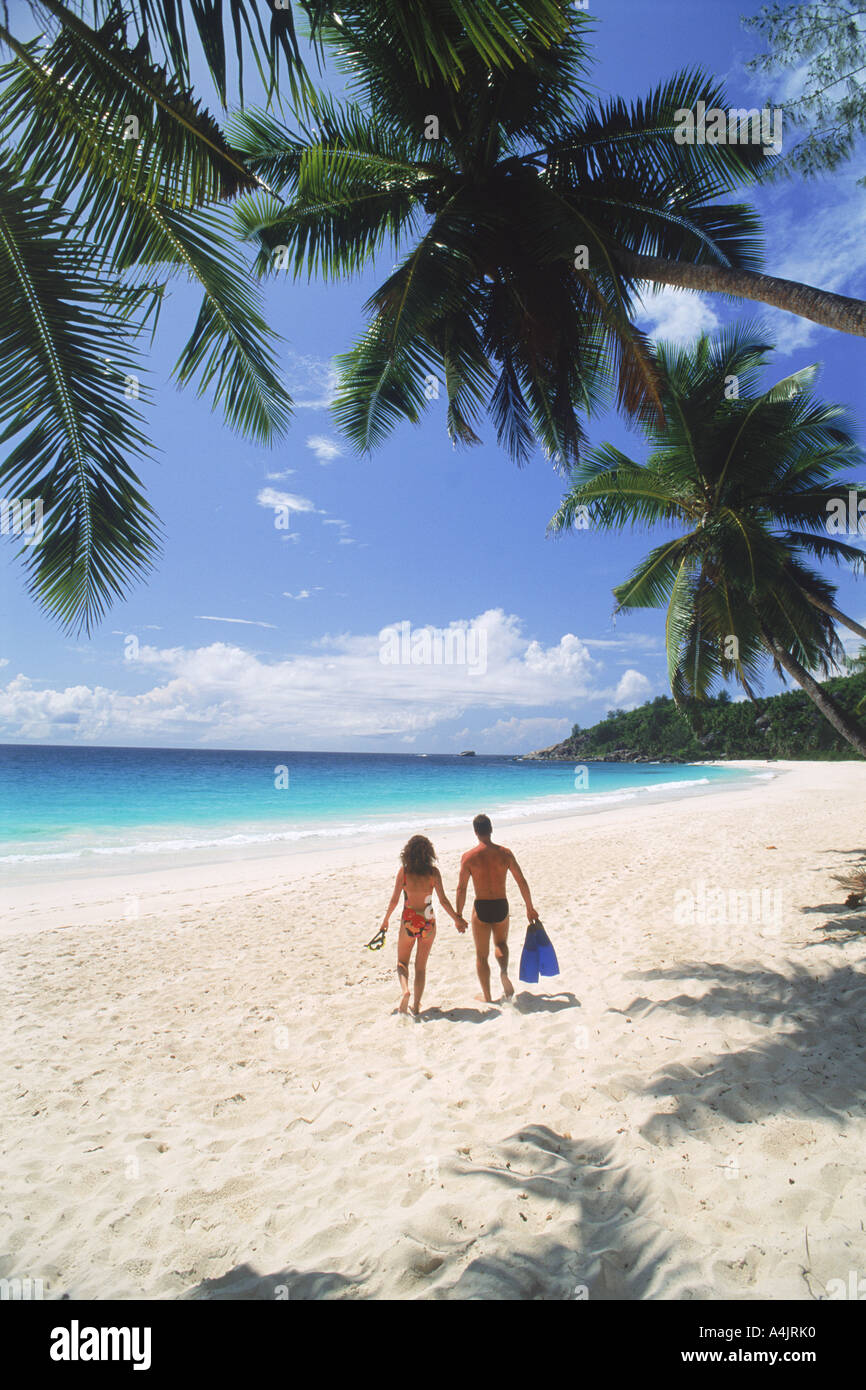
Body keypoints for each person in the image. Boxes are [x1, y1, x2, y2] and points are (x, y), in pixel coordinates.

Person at [379, 834, 467, 1014]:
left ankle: (405, 991)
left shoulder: (404, 872)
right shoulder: (433, 873)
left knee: (402, 962)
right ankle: (417, 1005)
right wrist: (456, 919)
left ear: (408, 852)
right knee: (420, 967)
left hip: (409, 921)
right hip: (428, 922)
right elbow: (443, 900)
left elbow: (395, 900)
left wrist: (386, 920)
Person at [455, 813, 538, 1003]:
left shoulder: (468, 857)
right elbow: (521, 881)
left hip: (481, 907)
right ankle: (503, 971)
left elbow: (461, 889)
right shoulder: (505, 853)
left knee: (481, 955)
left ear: (475, 832)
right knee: (501, 944)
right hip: (501, 905)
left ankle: (487, 996)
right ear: (491, 829)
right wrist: (529, 907)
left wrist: (458, 916)